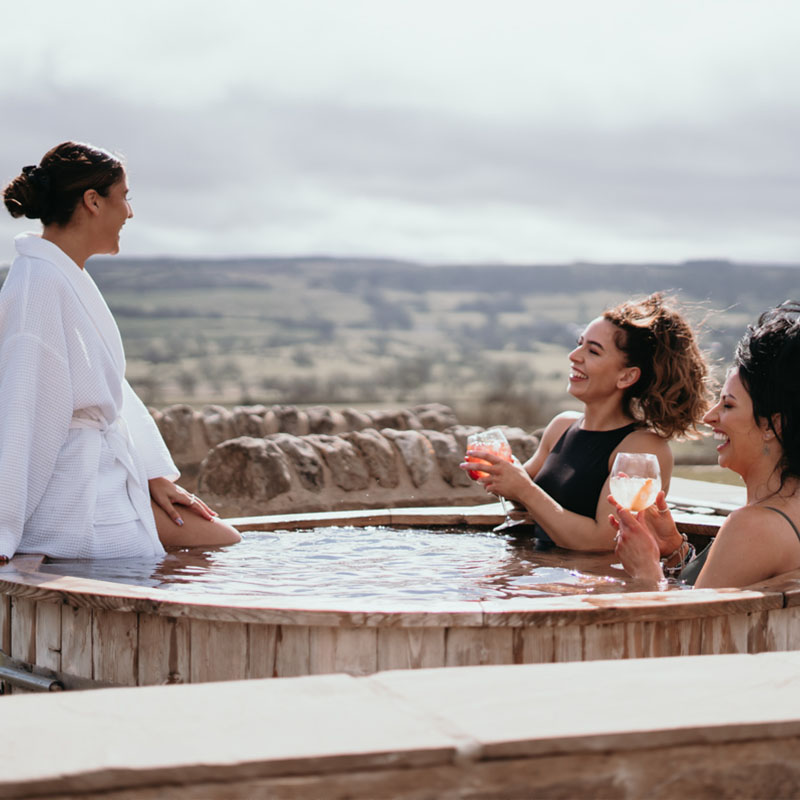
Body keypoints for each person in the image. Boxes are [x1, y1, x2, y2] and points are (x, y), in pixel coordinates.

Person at [0, 141, 240, 562]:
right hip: (74, 492)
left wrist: (152, 473)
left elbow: (111, 387)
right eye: (124, 197)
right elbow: (20, 405)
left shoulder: (60, 274)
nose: (129, 212)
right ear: (92, 201)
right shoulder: (38, 282)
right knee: (219, 544)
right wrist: (3, 527)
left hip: (103, 471)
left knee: (222, 538)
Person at [461, 294, 711, 551]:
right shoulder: (561, 427)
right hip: (545, 578)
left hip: (596, 586)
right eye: (579, 344)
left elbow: (601, 540)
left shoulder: (643, 449)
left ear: (626, 376)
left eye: (593, 351)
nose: (574, 355)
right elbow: (528, 501)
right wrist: (504, 477)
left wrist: (523, 488)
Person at [611, 302, 800, 588]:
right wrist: (676, 551)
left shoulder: (752, 526)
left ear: (772, 426)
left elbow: (683, 632)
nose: (710, 417)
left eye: (728, 405)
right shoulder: (784, 513)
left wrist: (645, 571)